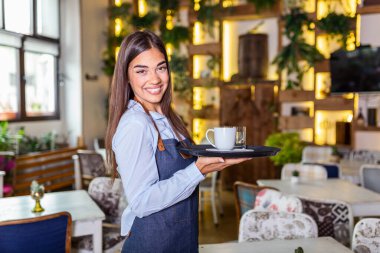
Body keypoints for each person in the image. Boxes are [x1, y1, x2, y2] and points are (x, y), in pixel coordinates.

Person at [105, 30, 250, 253]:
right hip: (153, 244)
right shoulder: (135, 124)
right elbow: (142, 202)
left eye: (160, 68)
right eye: (141, 71)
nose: (155, 79)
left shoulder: (169, 119)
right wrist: (198, 170)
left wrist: (208, 164)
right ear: (126, 76)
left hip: (182, 241)